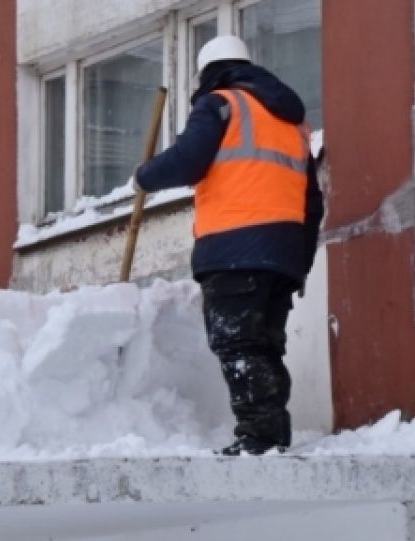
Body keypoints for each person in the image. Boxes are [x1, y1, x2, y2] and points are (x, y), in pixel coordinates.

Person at [132, 35, 323, 456]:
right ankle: (270, 434)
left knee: (238, 343)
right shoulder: (292, 122)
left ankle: (259, 437)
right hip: (283, 255)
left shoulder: (220, 104)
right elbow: (313, 201)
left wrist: (145, 176)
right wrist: (300, 263)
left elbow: (187, 159)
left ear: (208, 73)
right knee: (265, 344)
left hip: (235, 248)